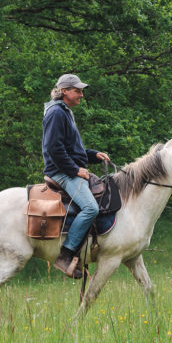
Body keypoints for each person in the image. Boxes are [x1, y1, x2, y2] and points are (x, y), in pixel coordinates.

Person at [42, 73, 110, 277]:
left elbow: (70, 148)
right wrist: (75, 170)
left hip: (66, 168)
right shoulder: (56, 113)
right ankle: (65, 256)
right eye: (77, 90)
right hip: (61, 172)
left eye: (81, 91)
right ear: (65, 91)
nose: (81, 94)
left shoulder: (65, 112)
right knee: (91, 208)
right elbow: (53, 148)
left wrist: (92, 155)